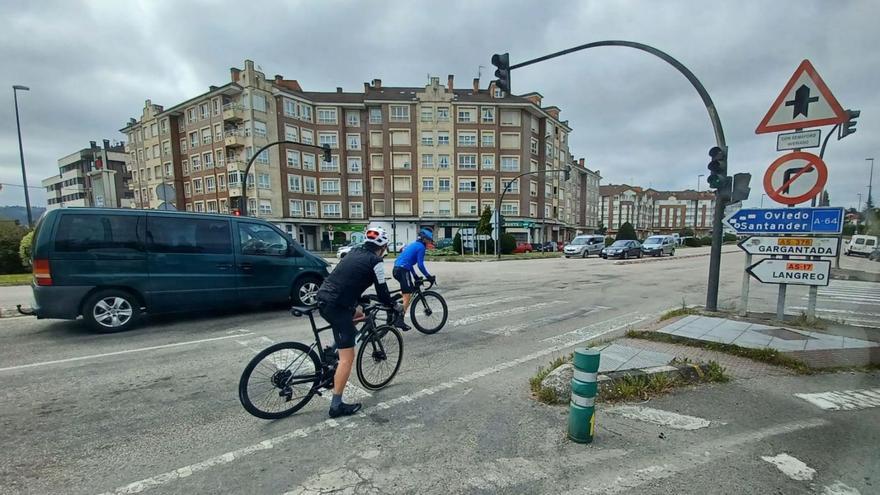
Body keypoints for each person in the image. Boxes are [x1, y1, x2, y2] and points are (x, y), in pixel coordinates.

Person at [315, 226, 403, 418]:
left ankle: (332, 350)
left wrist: (358, 299)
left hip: (325, 297)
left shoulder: (354, 251)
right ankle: (336, 406)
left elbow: (348, 278)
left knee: (358, 312)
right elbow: (383, 293)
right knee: (348, 358)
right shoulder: (376, 261)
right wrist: (393, 306)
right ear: (384, 246)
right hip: (336, 305)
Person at [393, 228, 436, 325]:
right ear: (424, 239)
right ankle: (400, 320)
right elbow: (420, 265)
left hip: (397, 269)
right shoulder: (421, 247)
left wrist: (415, 276)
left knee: (409, 290)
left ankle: (393, 302)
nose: (429, 241)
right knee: (407, 294)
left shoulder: (413, 245)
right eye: (428, 239)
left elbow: (409, 263)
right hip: (403, 270)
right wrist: (428, 276)